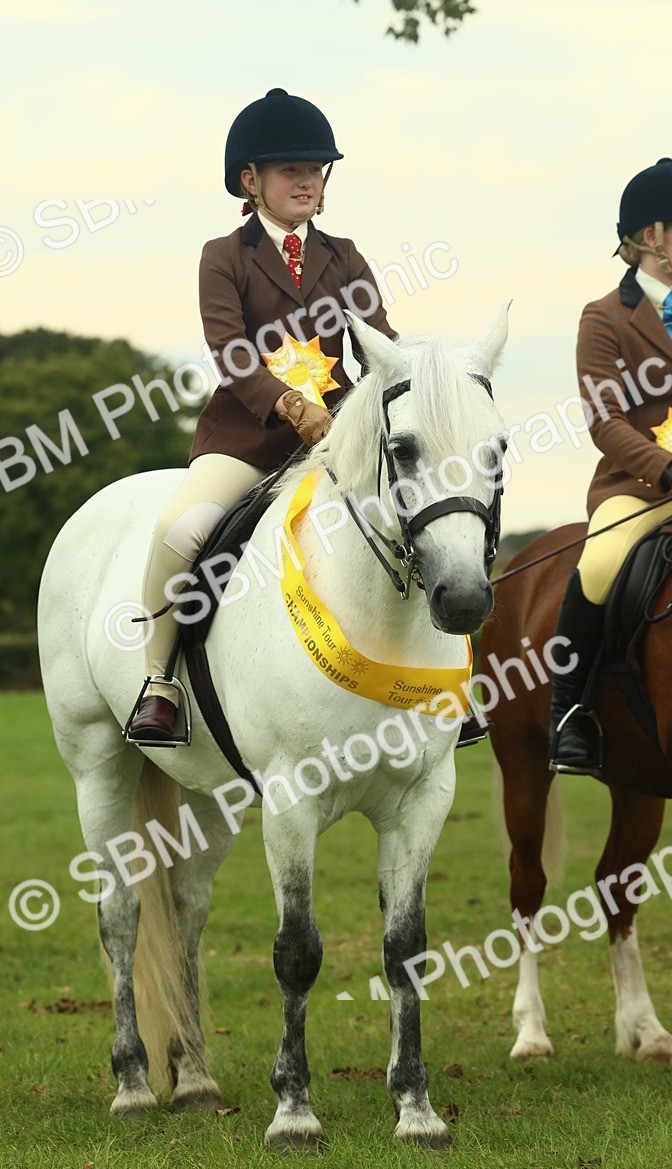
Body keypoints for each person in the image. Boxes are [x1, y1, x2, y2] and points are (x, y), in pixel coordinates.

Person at [125, 87, 398, 743]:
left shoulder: (347, 256)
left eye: (314, 170)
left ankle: (439, 681)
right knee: (178, 527)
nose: (306, 181)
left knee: (420, 516)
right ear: (250, 181)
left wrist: (394, 395)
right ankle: (157, 682)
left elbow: (378, 343)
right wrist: (290, 405)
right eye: (289, 170)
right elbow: (230, 351)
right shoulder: (223, 257)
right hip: (246, 440)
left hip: (337, 444)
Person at [549, 157, 672, 774]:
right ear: (651, 237)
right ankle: (568, 712)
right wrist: (664, 469)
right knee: (598, 562)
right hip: (640, 487)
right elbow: (605, 420)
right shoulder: (605, 317)